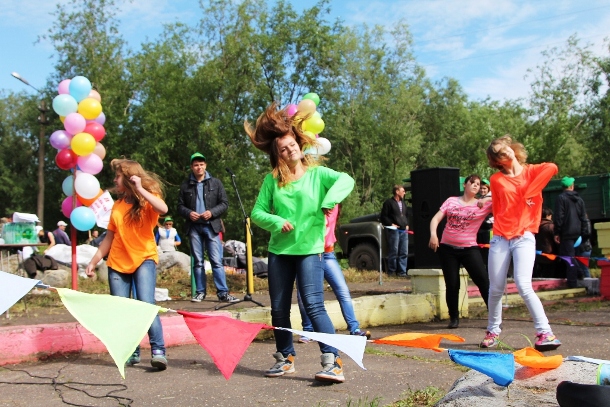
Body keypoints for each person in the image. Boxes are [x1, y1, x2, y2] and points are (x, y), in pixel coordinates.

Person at [245, 102, 355, 383]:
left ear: (299, 144)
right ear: (278, 155)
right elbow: (257, 213)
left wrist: (329, 200)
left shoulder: (318, 175)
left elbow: (346, 180)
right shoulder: (272, 181)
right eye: (283, 149)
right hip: (280, 252)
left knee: (314, 306)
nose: (289, 150)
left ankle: (332, 361)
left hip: (309, 251)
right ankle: (285, 359)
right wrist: (275, 221)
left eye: (292, 145)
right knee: (279, 309)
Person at [85, 158, 169, 370]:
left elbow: (163, 209)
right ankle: (132, 351)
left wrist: (140, 188)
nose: (115, 180)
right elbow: (109, 238)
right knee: (123, 309)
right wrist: (94, 261)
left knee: (146, 304)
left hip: (144, 258)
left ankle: (158, 350)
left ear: (130, 178)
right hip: (117, 262)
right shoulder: (117, 206)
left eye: (118, 176)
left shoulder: (148, 199)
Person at [480, 135, 561, 351]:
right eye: (499, 152)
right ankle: (493, 331)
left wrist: (531, 191)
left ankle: (545, 333)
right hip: (500, 236)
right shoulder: (496, 179)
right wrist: (481, 205)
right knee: (496, 288)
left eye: (505, 148)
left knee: (523, 284)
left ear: (512, 148)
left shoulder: (531, 171)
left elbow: (552, 167)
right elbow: (498, 206)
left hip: (524, 236)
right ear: (496, 160)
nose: (505, 152)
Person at [297, 204, 371, 343]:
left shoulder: (334, 204)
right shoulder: (313, 200)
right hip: (309, 253)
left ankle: (354, 329)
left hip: (328, 253)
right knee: (304, 294)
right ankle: (308, 330)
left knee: (343, 291)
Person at [428, 175, 491, 329]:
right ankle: (454, 318)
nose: (475, 185)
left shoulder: (482, 204)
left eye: (478, 184)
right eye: (472, 183)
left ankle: (494, 318)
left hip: (469, 248)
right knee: (452, 284)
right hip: (448, 249)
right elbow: (435, 219)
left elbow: (504, 199)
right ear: (465, 185)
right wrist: (434, 235)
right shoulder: (451, 201)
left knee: (483, 281)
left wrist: (488, 198)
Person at [177, 152, 239, 303]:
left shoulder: (216, 183)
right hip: (194, 227)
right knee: (198, 262)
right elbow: (179, 206)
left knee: (216, 261)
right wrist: (189, 213)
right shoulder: (185, 185)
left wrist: (211, 212)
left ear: (205, 165)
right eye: (196, 165)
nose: (199, 167)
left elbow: (224, 203)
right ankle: (200, 293)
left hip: (211, 226)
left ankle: (223, 293)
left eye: (201, 164)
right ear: (191, 167)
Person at [553, 176, 589, 288]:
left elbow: (559, 216)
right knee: (572, 256)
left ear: (563, 187)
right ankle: (579, 272)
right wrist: (584, 232)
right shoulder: (579, 199)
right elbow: (583, 217)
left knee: (568, 258)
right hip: (578, 233)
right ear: (572, 186)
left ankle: (572, 283)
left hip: (566, 233)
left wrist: (557, 232)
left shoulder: (561, 198)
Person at [380, 185, 409, 276]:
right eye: (403, 191)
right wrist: (391, 224)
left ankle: (402, 272)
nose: (404, 193)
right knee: (394, 251)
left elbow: (405, 215)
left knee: (404, 252)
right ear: (397, 192)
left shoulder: (403, 203)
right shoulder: (388, 203)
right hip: (394, 230)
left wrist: (407, 224)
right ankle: (392, 271)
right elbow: (383, 216)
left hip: (404, 230)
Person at [534, 208, 560, 278]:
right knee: (549, 275)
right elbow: (557, 240)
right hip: (550, 255)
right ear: (548, 216)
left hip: (537, 255)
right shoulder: (551, 226)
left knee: (538, 275)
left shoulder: (535, 226)